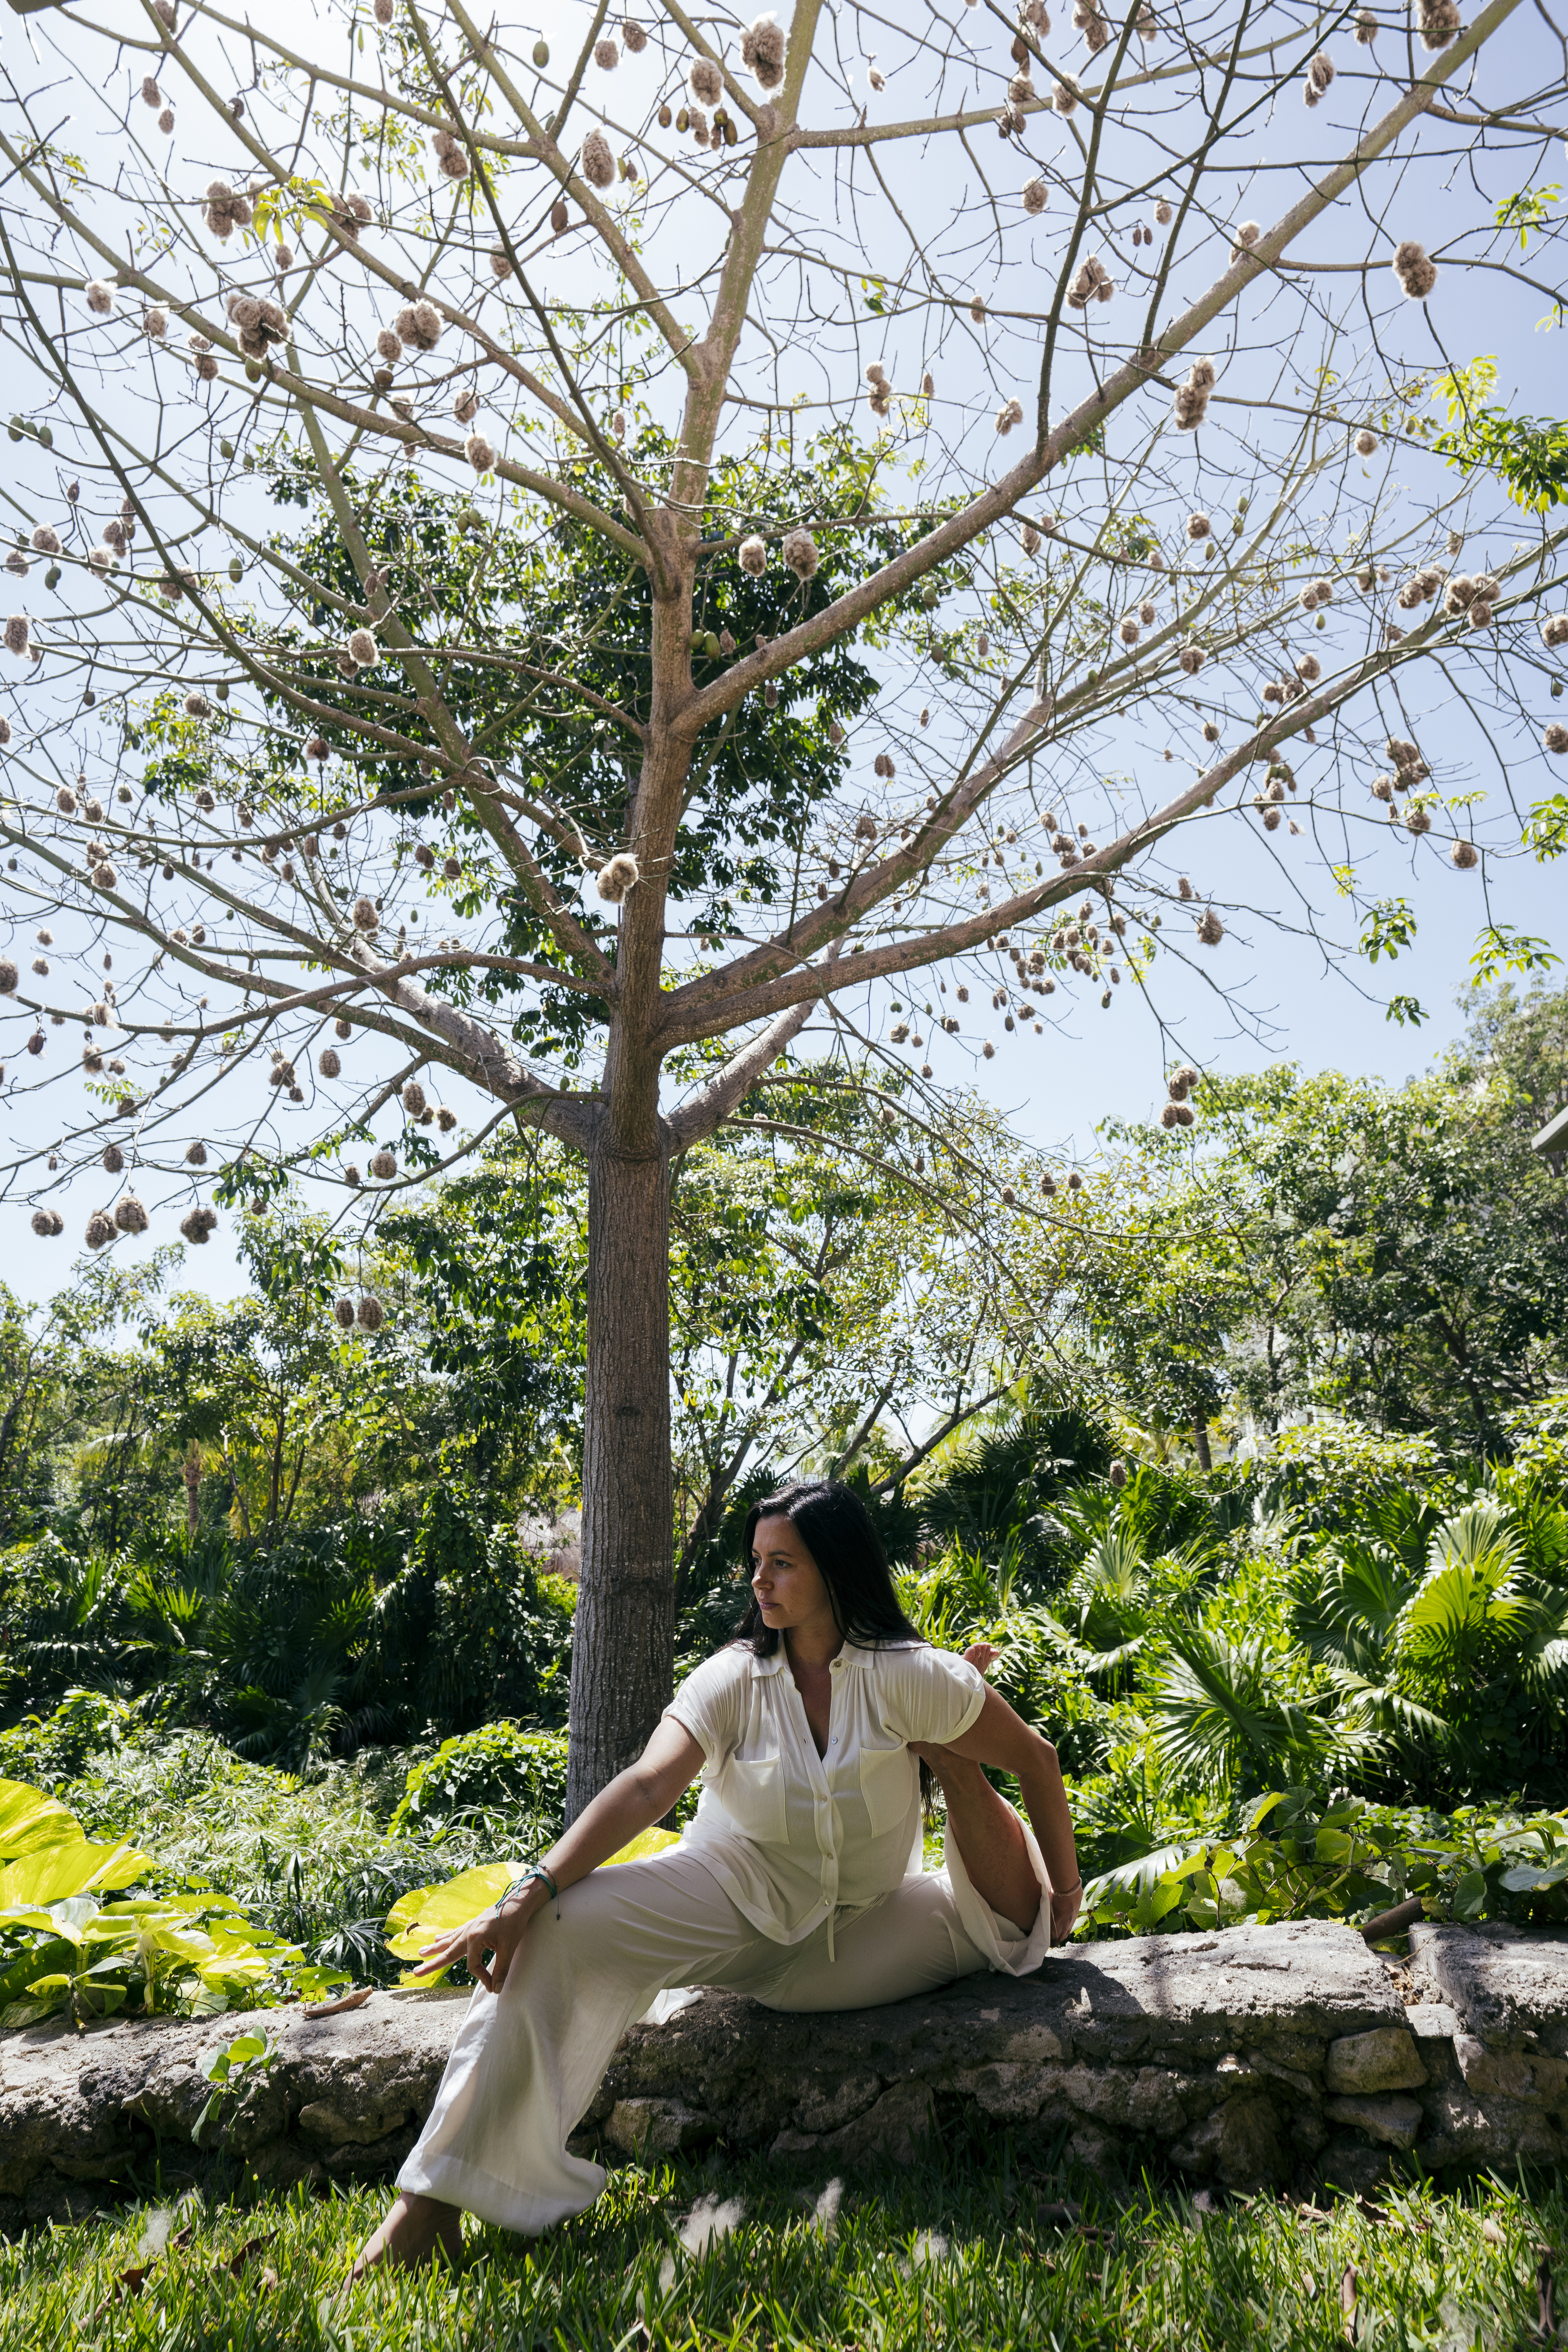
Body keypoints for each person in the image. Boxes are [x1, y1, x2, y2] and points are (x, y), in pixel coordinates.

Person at [352, 1479, 1080, 2274]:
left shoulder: (910, 1675)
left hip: (863, 1933)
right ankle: (428, 2206)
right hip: (732, 1901)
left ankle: (963, 1779)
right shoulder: (731, 1677)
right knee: (551, 1930)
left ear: (836, 1570)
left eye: (782, 1564)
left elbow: (1037, 1764)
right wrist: (528, 1892)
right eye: (755, 1562)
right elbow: (644, 1786)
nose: (758, 1581)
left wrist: (1051, 1883)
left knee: (1016, 1919)